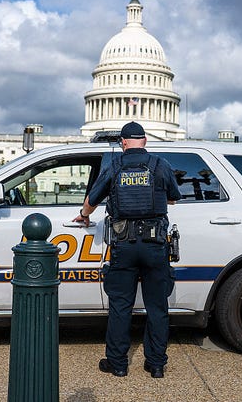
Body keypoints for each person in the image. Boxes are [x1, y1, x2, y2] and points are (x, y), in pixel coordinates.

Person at [73, 121, 181, 378]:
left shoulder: (115, 166)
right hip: (155, 244)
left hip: (124, 245)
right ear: (144, 141)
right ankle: (156, 365)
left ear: (123, 142)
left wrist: (83, 215)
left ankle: (118, 364)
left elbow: (91, 201)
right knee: (157, 306)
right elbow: (173, 197)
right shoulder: (160, 165)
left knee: (121, 306)